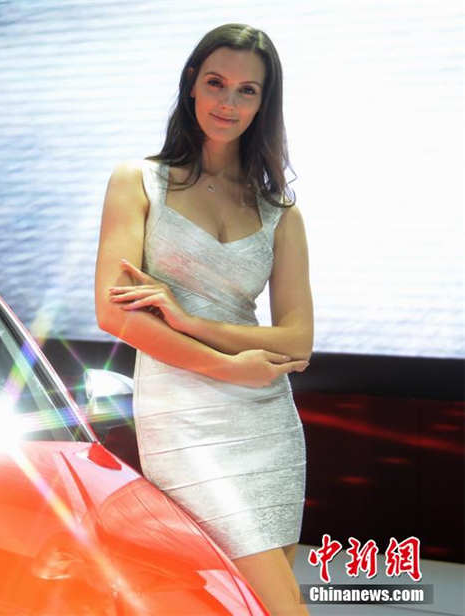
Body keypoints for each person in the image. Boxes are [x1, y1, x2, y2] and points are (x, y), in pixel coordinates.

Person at [94, 23, 313, 615]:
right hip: (183, 417)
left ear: (264, 103)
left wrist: (189, 321)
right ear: (192, 83)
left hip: (266, 419)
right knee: (281, 605)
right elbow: (114, 313)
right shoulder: (138, 182)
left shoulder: (279, 212)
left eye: (247, 91)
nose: (228, 102)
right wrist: (227, 367)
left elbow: (297, 339)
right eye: (216, 83)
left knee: (250, 603)